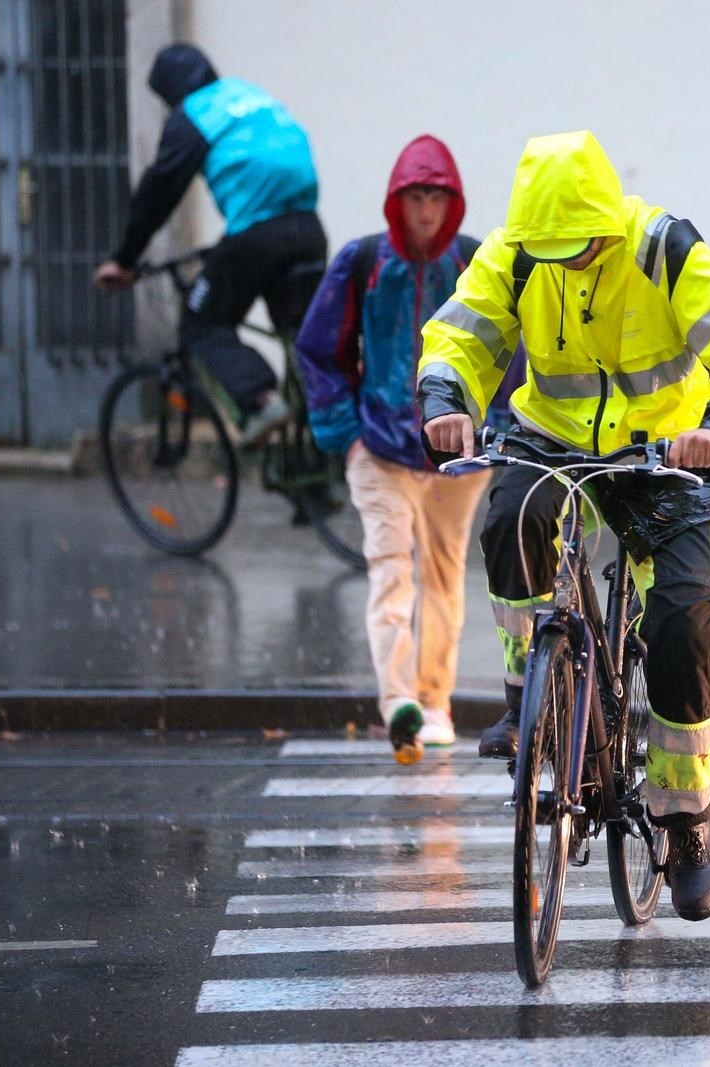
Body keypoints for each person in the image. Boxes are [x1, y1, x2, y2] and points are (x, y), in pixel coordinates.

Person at [417, 130, 710, 921]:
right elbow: (460, 332)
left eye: (579, 248)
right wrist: (446, 400)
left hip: (671, 453)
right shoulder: (518, 254)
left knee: (684, 621)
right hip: (551, 437)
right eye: (551, 251)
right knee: (512, 518)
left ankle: (686, 820)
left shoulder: (663, 248)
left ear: (608, 229)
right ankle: (530, 695)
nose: (565, 261)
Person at [293, 135, 490, 766]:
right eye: (416, 196)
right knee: (391, 574)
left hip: (458, 455)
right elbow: (318, 349)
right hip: (379, 448)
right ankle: (399, 701)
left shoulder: (474, 264)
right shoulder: (363, 262)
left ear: (451, 200)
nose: (426, 209)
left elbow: (510, 354)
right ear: (397, 201)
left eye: (436, 196)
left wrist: (498, 430)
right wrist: (346, 437)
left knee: (441, 579)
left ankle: (435, 704)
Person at [93, 44, 325, 443]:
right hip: (308, 229)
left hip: (257, 234)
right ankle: (320, 460)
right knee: (302, 339)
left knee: (201, 323)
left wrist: (125, 259)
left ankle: (260, 400)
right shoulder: (250, 95)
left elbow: (159, 192)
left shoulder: (194, 114)